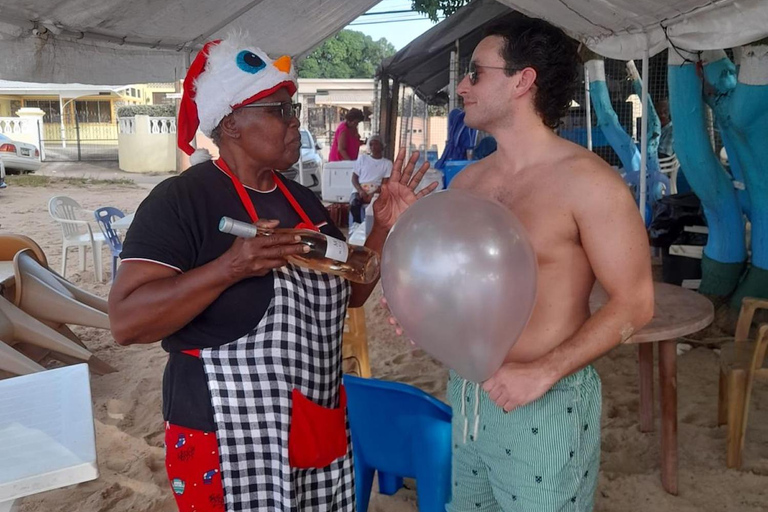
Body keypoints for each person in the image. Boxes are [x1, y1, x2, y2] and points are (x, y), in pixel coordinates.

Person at [108, 34, 436, 512]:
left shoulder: (300, 201)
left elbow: (351, 294)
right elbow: (125, 321)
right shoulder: (182, 201)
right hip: (219, 429)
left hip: (309, 419)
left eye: (293, 108)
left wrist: (384, 228)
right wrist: (230, 268)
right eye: (279, 110)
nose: (294, 121)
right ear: (232, 123)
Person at [412, 18, 653, 511]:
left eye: (476, 73)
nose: (461, 86)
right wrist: (419, 306)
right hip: (470, 393)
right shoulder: (468, 184)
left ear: (522, 81)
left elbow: (636, 304)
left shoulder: (590, 183)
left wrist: (543, 371)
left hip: (548, 398)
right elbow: (459, 285)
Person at [350, 135, 393, 225]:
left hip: (376, 190)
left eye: (376, 144)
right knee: (354, 204)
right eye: (371, 144)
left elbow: (385, 184)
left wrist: (373, 194)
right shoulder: (363, 158)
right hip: (360, 189)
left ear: (382, 146)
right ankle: (356, 226)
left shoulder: (387, 163)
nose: (373, 147)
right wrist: (360, 191)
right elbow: (354, 178)